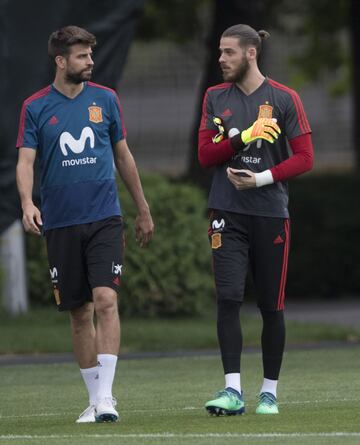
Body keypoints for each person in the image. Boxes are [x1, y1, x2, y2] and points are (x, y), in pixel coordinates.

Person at [16, 26, 154, 423]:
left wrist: (142, 208)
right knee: (79, 313)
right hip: (60, 223)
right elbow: (25, 162)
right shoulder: (35, 107)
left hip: (104, 218)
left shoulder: (106, 100)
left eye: (91, 54)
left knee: (106, 300)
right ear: (61, 61)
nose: (90, 61)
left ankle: (107, 397)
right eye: (82, 56)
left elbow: (124, 157)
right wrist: (27, 203)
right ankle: (94, 400)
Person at [198, 24, 313, 415]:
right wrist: (242, 137)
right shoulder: (215, 97)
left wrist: (261, 179)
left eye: (228, 52)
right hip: (226, 212)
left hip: (269, 214)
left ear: (250, 53)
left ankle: (269, 393)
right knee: (228, 298)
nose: (221, 59)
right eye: (220, 51)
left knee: (271, 306)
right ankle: (232, 391)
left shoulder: (284, 98)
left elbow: (305, 157)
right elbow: (205, 155)